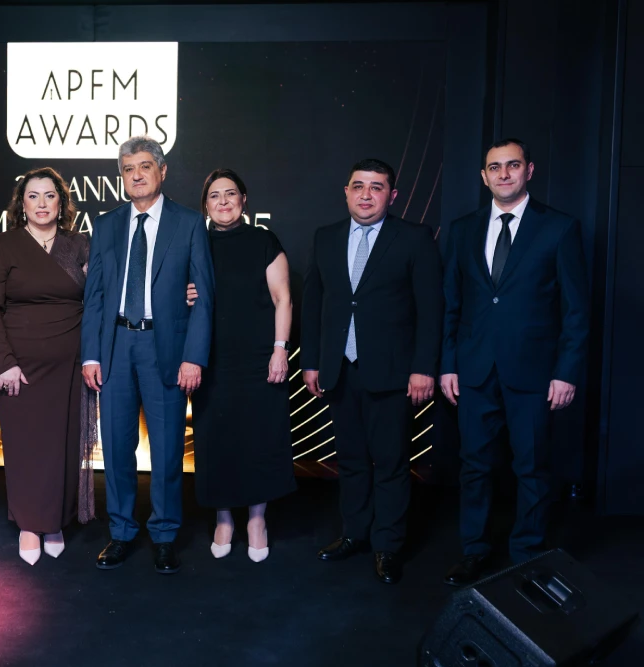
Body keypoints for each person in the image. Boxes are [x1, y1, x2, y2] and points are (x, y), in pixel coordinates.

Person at [441, 139, 589, 585]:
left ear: (529, 170)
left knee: (532, 467)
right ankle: (474, 551)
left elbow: (576, 310)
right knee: (475, 466)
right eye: (494, 167)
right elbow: (451, 304)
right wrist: (448, 364)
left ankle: (527, 555)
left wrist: (566, 372)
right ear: (483, 176)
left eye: (512, 165)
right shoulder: (462, 229)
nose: (503, 174)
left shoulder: (559, 228)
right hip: (474, 369)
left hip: (534, 372)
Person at [301, 158, 442, 584]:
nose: (366, 195)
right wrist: (311, 361)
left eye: (376, 187)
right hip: (340, 369)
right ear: (346, 192)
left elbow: (431, 309)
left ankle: (388, 546)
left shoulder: (414, 238)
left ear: (391, 195)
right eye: (358, 186)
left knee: (392, 462)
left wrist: (423, 369)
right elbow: (314, 303)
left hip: (394, 373)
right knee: (351, 460)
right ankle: (355, 533)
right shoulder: (326, 237)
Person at [81, 136, 215, 575]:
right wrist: (90, 355)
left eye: (144, 166)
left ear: (162, 171)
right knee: (117, 447)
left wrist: (194, 356)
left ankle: (164, 535)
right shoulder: (106, 224)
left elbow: (204, 297)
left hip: (167, 348)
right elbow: (95, 296)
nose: (136, 175)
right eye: (127, 169)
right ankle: (121, 531)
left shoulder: (189, 223)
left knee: (168, 448)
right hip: (116, 346)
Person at [0, 167, 91, 566]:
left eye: (49, 195)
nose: (41, 203)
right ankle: (29, 524)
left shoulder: (79, 245)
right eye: (33, 196)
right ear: (21, 204)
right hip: (19, 367)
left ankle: (55, 521)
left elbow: (101, 297)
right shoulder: (5, 245)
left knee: (63, 444)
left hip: (70, 366)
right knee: (26, 446)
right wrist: (5, 362)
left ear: (61, 202)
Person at [189, 169, 296, 563]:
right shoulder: (195, 243)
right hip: (210, 359)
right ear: (205, 205)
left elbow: (283, 299)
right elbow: (177, 294)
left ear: (244, 199)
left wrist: (280, 349)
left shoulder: (263, 241)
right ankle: (223, 519)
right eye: (214, 195)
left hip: (258, 358)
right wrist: (184, 293)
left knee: (259, 437)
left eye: (230, 193)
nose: (223, 201)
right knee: (215, 439)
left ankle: (256, 519)